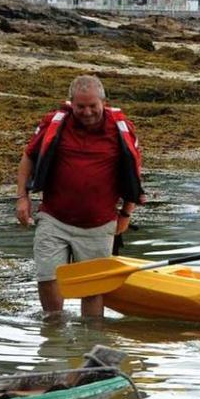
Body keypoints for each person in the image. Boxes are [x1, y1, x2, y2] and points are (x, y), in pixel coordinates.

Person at [15, 75, 145, 317]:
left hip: (99, 223)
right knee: (47, 276)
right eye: (80, 106)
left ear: (103, 103)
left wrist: (127, 213)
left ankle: (90, 338)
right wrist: (22, 198)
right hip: (54, 218)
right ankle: (53, 334)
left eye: (92, 106)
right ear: (71, 103)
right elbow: (29, 156)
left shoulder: (121, 129)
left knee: (92, 288)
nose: (87, 112)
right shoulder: (54, 124)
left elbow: (133, 173)